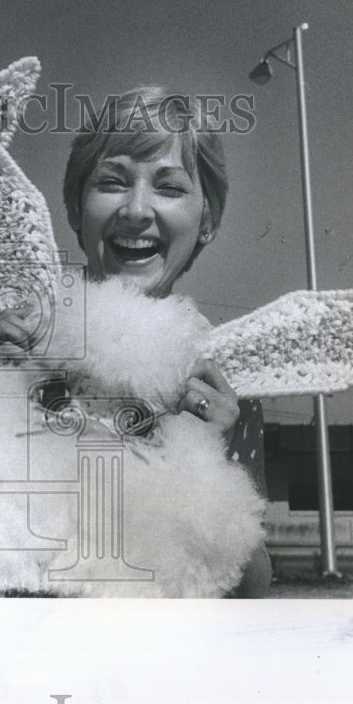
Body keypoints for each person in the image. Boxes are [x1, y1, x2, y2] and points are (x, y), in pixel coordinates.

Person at [60, 86, 272, 597]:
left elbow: (254, 588)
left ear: (207, 222)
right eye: (111, 182)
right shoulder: (18, 337)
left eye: (170, 188)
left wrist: (215, 460)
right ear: (75, 210)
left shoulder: (224, 377)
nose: (136, 210)